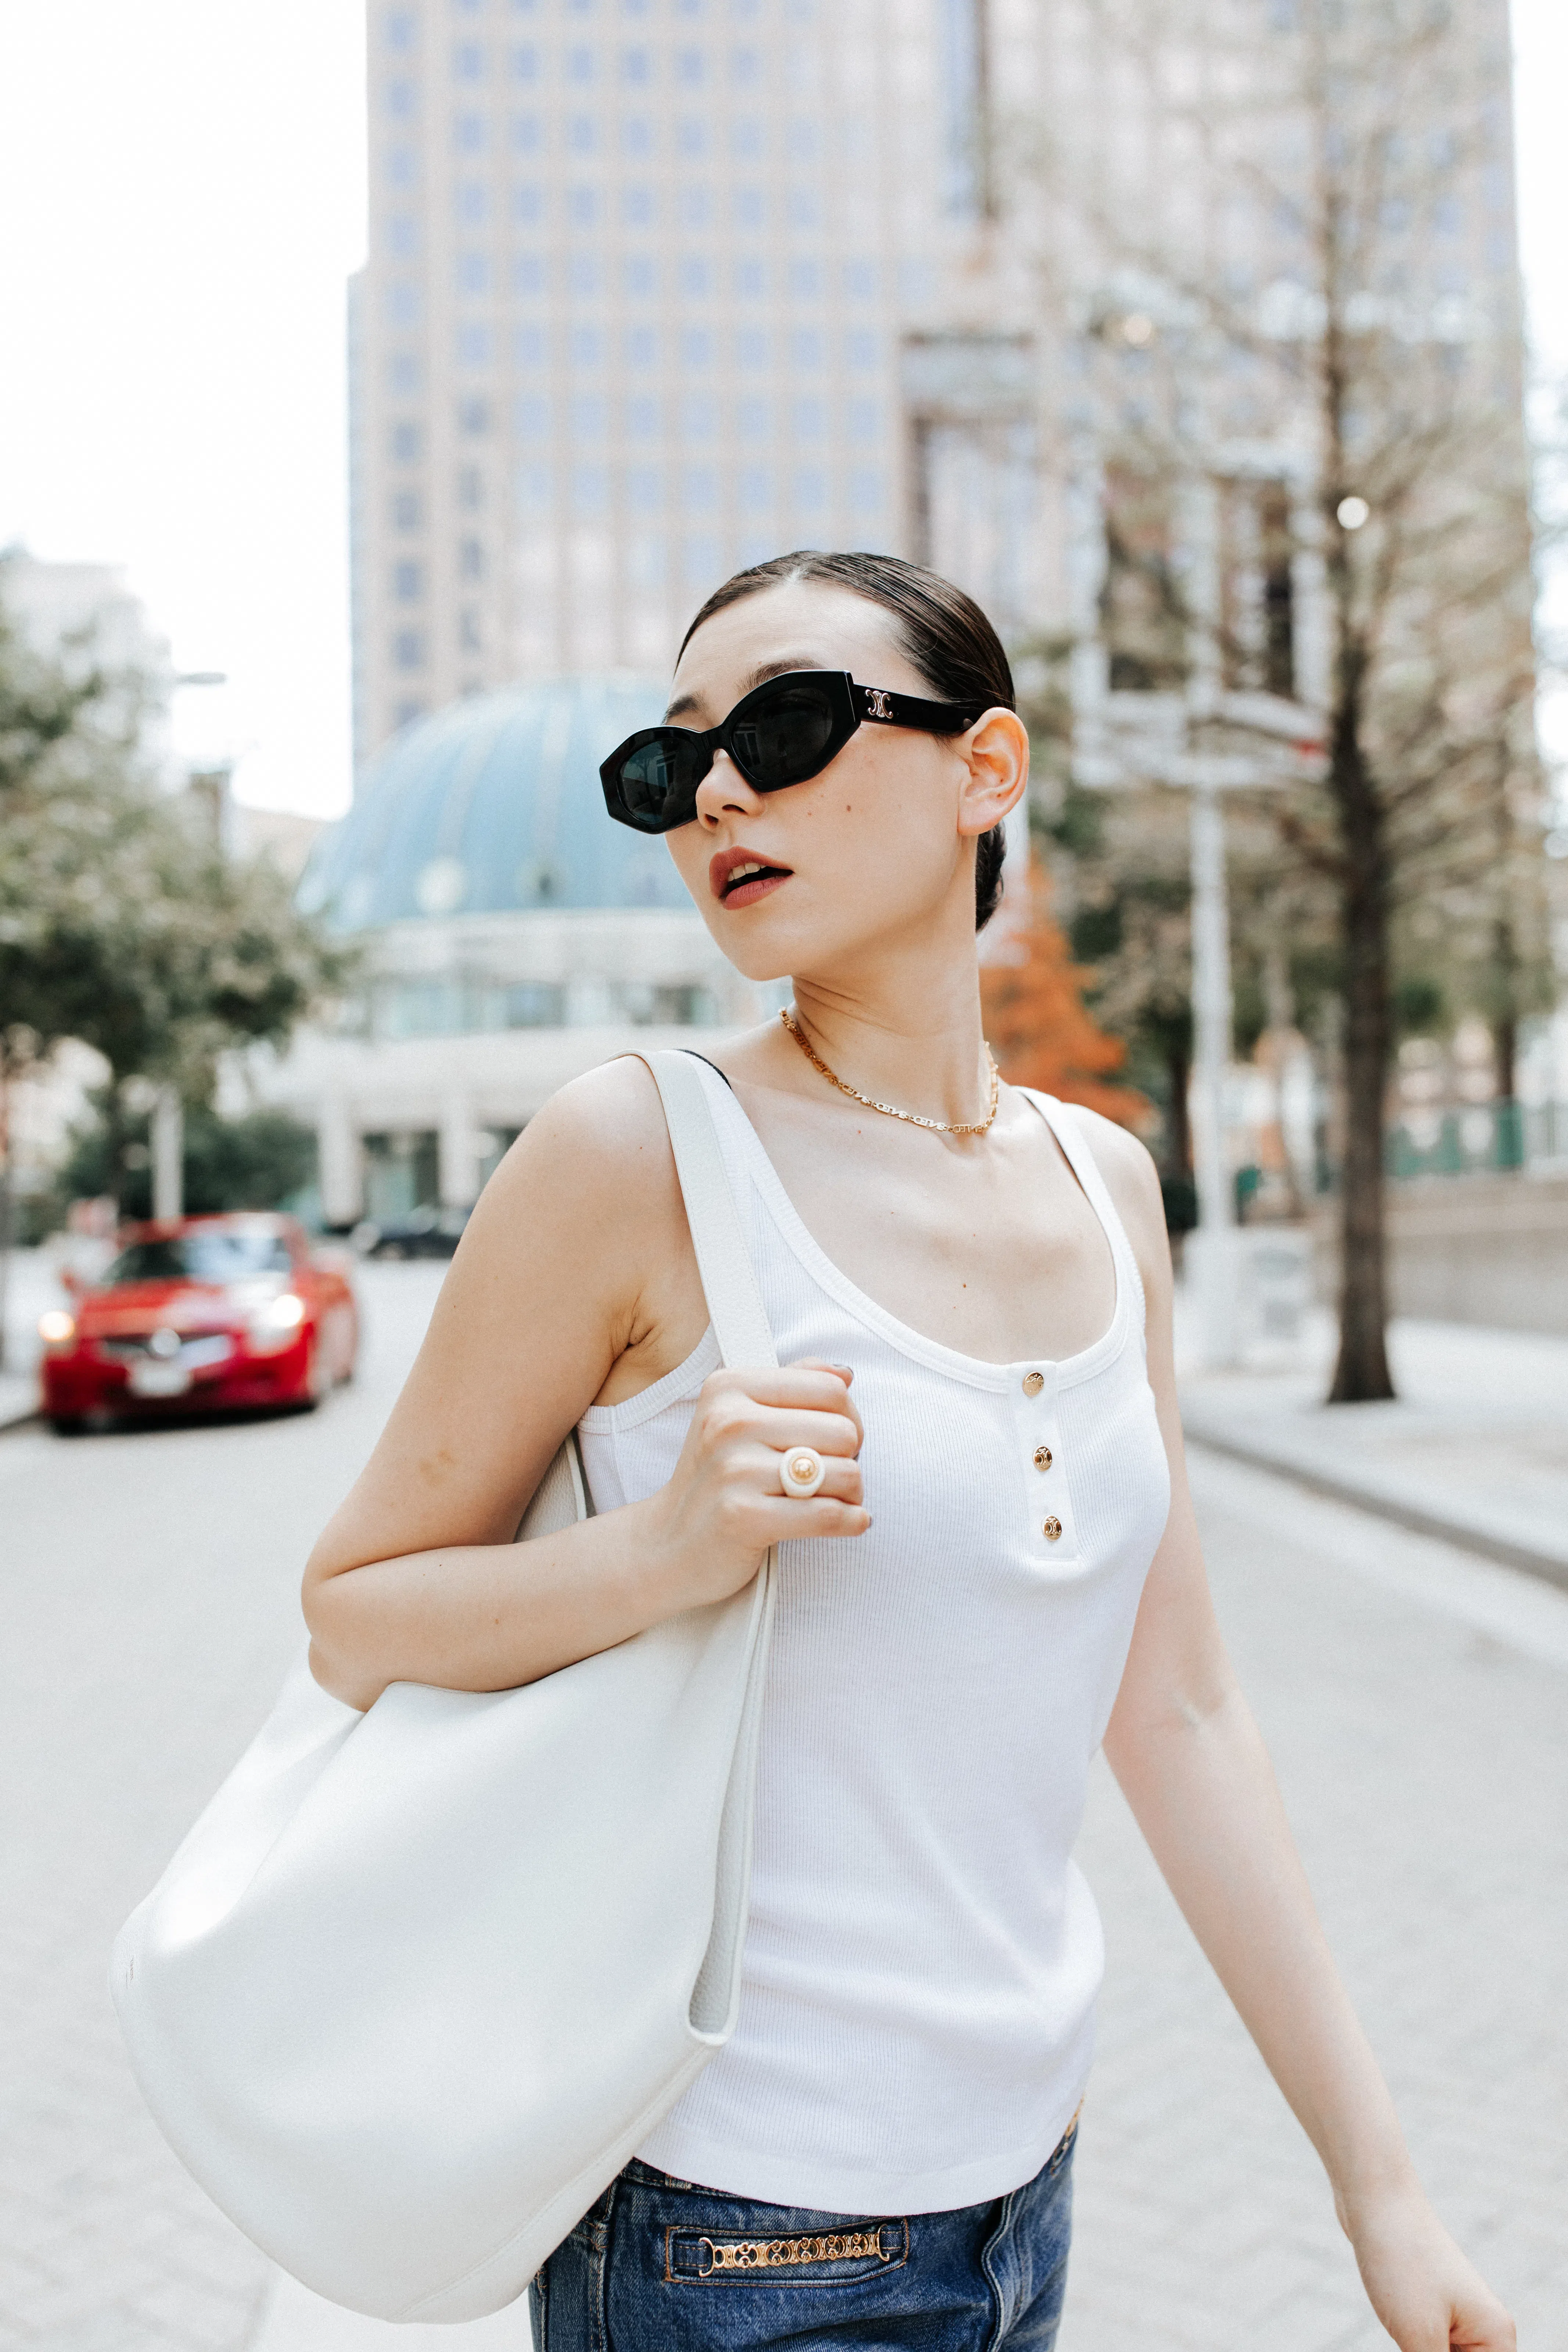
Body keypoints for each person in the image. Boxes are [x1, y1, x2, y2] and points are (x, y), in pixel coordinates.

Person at [302, 552, 1515, 2352]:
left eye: (786, 727)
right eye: (672, 763)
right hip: (732, 2234)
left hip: (1027, 2187)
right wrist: (665, 1548)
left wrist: (1380, 2191)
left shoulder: (1106, 1185)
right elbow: (354, 1612)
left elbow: (1175, 1712)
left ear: (986, 768)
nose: (718, 792)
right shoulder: (629, 1153)